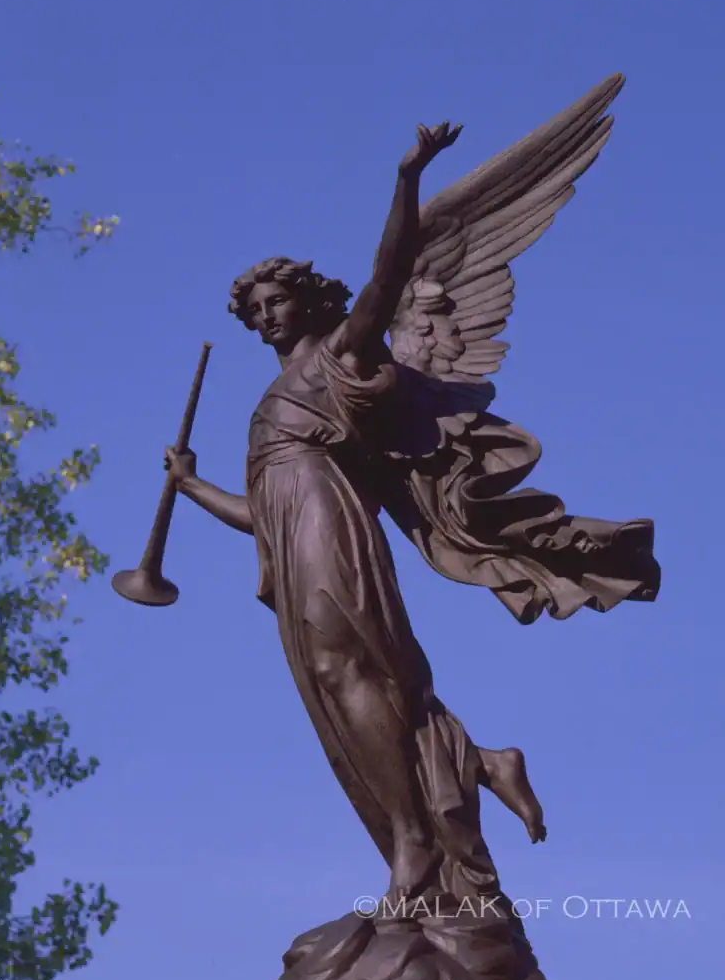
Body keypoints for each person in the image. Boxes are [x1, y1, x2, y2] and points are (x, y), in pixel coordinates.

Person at [164, 123, 548, 903]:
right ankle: (476, 763)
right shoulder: (269, 402)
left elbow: (391, 268)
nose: (267, 316)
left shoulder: (344, 353)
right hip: (293, 533)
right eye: (256, 311)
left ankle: (414, 841)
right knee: (341, 689)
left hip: (332, 529)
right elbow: (263, 517)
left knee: (354, 671)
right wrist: (192, 486)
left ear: (306, 300)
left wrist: (407, 177)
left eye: (278, 301)